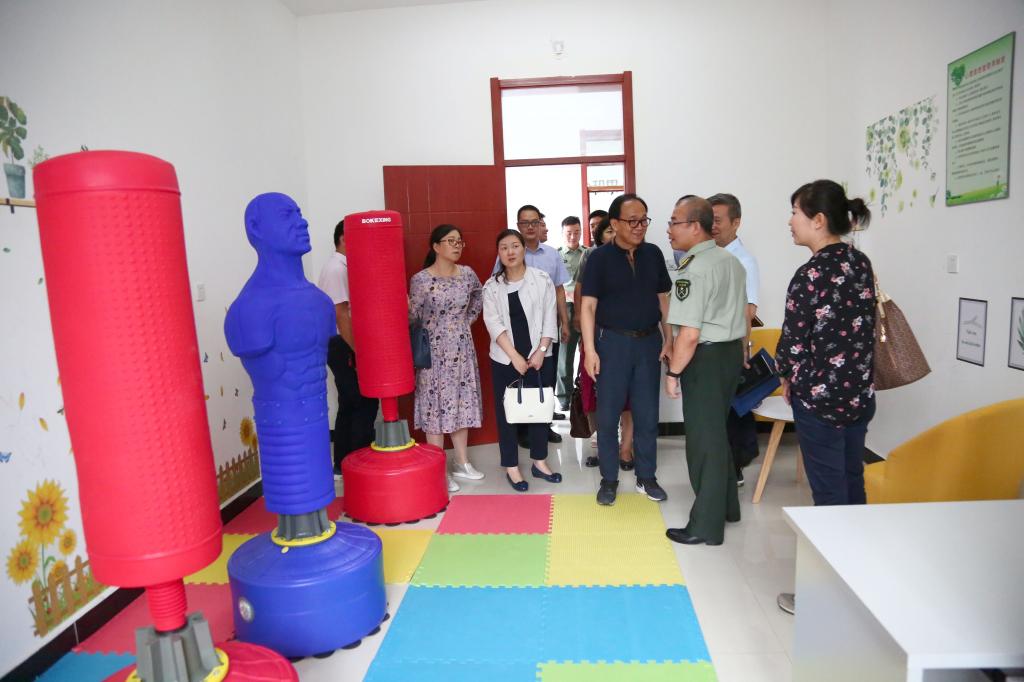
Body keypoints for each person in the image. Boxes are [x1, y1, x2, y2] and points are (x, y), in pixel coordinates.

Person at [775, 180, 876, 614]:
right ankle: (859, 581)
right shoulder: (859, 262)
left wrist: (787, 375)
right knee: (852, 483)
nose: (790, 221)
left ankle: (826, 597)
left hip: (820, 400)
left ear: (818, 220)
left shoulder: (811, 274)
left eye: (795, 213)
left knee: (828, 493)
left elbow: (793, 342)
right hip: (859, 393)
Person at [662, 195, 748, 546]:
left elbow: (690, 333)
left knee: (703, 441)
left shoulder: (694, 270)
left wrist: (673, 374)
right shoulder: (730, 261)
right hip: (729, 354)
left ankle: (705, 526)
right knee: (717, 434)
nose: (669, 229)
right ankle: (727, 507)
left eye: (674, 222)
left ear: (695, 226)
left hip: (706, 359)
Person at [580, 194, 672, 506]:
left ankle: (647, 477)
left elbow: (663, 300)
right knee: (608, 417)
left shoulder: (653, 254)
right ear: (615, 223)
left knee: (647, 414)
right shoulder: (599, 258)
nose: (639, 226)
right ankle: (609, 480)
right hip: (612, 344)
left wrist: (669, 338)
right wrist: (590, 350)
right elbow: (588, 306)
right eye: (632, 220)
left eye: (644, 219)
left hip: (648, 343)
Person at [483, 229, 562, 492]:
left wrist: (541, 350)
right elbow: (493, 324)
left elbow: (550, 317)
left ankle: (540, 461)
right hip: (505, 359)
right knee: (507, 413)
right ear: (499, 253)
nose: (510, 252)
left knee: (540, 409)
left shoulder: (541, 280)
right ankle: (511, 466)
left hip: (540, 356)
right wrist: (515, 356)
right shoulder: (491, 287)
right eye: (504, 247)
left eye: (515, 246)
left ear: (523, 249)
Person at [409, 224, 485, 494]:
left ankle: (461, 462)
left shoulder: (467, 274)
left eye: (459, 241)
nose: (456, 245)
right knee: (435, 408)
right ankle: (438, 468)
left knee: (462, 403)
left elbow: (479, 296)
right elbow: (413, 317)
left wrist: (466, 320)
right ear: (436, 246)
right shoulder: (421, 280)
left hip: (462, 349)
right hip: (433, 353)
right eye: (450, 241)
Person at [494, 205, 571, 445]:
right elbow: (497, 287)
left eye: (534, 222)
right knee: (522, 378)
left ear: (540, 224)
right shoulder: (509, 252)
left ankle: (544, 426)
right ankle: (524, 429)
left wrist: (565, 322)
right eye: (524, 222)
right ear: (518, 226)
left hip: (547, 330)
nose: (529, 226)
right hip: (518, 332)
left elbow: (559, 290)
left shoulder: (552, 254)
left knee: (546, 379)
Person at [316, 219, 379, 476]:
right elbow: (341, 313)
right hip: (343, 343)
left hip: (346, 342)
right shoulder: (336, 269)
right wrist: (358, 351)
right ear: (343, 238)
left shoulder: (345, 267)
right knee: (359, 401)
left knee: (354, 402)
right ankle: (353, 462)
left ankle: (347, 462)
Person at [708, 192, 762, 486]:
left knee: (731, 414)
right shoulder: (707, 256)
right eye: (709, 220)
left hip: (729, 349)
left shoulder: (743, 261)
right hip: (709, 350)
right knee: (716, 415)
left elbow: (748, 311)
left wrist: (741, 352)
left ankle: (734, 470)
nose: (712, 226)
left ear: (736, 222)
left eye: (718, 220)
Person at [573, 215, 634, 469]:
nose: (613, 235)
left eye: (616, 230)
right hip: (596, 334)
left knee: (628, 396)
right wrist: (579, 322)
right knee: (596, 394)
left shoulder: (636, 256)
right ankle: (603, 446)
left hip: (629, 337)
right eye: (608, 231)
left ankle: (626, 450)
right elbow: (580, 290)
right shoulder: (591, 256)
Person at [556, 216, 587, 411]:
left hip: (587, 307)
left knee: (587, 353)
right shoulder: (557, 255)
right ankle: (564, 397)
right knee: (565, 356)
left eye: (577, 232)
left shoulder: (588, 253)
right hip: (566, 308)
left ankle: (584, 393)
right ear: (562, 233)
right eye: (569, 233)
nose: (573, 237)